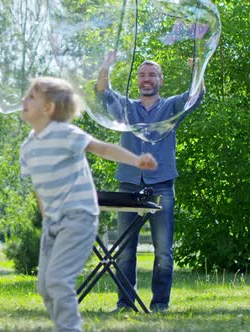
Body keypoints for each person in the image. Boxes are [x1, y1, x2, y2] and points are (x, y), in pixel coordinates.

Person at [19, 76, 157, 331]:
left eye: (31, 97)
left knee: (59, 282)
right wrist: (45, 215)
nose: (23, 100)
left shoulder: (65, 133)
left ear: (48, 108)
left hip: (78, 218)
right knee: (45, 286)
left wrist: (137, 160)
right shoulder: (28, 146)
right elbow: (39, 187)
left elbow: (103, 149)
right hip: (53, 222)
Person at [95, 51, 205, 313]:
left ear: (160, 80)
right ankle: (125, 304)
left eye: (152, 74)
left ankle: (160, 304)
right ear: (137, 80)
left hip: (162, 184)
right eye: (143, 74)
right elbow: (102, 93)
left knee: (164, 251)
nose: (147, 79)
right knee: (125, 251)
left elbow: (196, 96)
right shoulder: (126, 108)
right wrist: (106, 66)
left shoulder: (171, 107)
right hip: (129, 183)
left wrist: (198, 70)